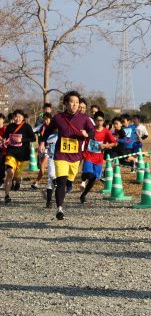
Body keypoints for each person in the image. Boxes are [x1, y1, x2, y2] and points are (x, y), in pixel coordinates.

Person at [39, 91, 95, 220]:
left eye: (77, 102)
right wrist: (42, 141)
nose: (75, 105)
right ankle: (59, 209)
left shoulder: (84, 118)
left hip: (75, 156)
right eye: (72, 102)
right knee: (61, 181)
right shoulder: (58, 118)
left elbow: (93, 132)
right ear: (66, 103)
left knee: (69, 184)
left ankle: (63, 186)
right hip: (61, 155)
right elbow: (47, 131)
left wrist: (87, 135)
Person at [79, 111, 117, 203]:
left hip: (98, 158)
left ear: (103, 121)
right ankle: (83, 180)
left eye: (100, 120)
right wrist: (83, 133)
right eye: (97, 120)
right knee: (89, 173)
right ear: (94, 120)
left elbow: (114, 143)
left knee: (93, 179)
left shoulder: (106, 132)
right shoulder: (90, 129)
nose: (99, 122)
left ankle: (83, 195)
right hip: (88, 155)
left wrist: (105, 146)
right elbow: (81, 134)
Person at [3, 109, 36, 203]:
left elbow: (33, 138)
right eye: (16, 116)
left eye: (20, 117)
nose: (17, 118)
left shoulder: (27, 127)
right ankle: (7, 196)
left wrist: (22, 140)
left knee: (17, 175)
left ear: (23, 118)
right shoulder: (9, 127)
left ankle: (18, 181)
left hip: (23, 154)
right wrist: (5, 141)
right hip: (11, 153)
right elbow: (6, 138)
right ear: (13, 117)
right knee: (10, 173)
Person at [32, 112, 53, 189]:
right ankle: (38, 182)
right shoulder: (41, 126)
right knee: (41, 167)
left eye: (47, 119)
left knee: (44, 166)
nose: (45, 121)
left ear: (50, 119)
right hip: (44, 150)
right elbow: (32, 130)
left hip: (52, 151)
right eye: (44, 119)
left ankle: (38, 183)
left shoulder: (55, 128)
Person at [0, 114, 6, 188]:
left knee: (1, 165)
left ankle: (1, 181)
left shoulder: (5, 129)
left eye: (0, 119)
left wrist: (1, 138)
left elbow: (6, 140)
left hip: (3, 149)